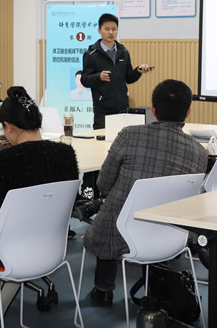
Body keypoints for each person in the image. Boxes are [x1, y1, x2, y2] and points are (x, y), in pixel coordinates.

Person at [0, 86, 79, 320]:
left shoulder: (3, 161)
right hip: (51, 247)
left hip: (7, 250)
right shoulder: (66, 154)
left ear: (9, 126)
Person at [83, 79, 207, 307]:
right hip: (170, 235)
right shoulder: (199, 152)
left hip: (118, 231)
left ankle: (103, 290)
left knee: (111, 212)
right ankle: (156, 285)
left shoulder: (129, 135)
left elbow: (104, 184)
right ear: (188, 111)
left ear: (153, 109)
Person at [81, 13, 152, 129]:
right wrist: (99, 76)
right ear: (99, 31)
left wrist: (138, 71)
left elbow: (129, 78)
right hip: (103, 110)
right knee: (102, 139)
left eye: (114, 29)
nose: (111, 32)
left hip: (123, 108)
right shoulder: (91, 54)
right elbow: (84, 80)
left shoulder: (123, 52)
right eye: (107, 29)